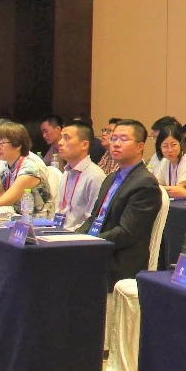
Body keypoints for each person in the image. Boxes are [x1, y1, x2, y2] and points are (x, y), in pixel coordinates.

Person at [77, 120, 163, 289]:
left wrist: (88, 243)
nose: (116, 144)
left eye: (123, 139)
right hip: (97, 248)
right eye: (114, 138)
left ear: (140, 146)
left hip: (118, 260)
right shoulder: (111, 178)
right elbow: (94, 218)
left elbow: (126, 232)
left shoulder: (145, 183)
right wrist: (74, 239)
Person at [53, 123, 107, 231]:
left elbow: (92, 220)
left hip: (77, 236)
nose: (60, 142)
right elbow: (59, 210)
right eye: (61, 137)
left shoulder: (95, 176)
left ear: (84, 145)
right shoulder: (67, 172)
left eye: (66, 138)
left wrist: (67, 233)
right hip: (58, 231)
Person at [155, 124, 186, 199]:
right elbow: (155, 185)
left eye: (173, 145)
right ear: (160, 147)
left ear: (181, 144)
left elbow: (179, 190)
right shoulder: (165, 161)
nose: (170, 150)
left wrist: (160, 188)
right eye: (165, 146)